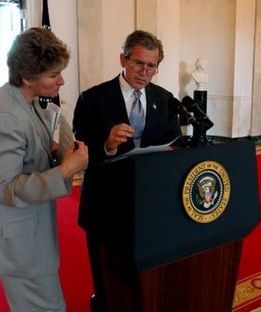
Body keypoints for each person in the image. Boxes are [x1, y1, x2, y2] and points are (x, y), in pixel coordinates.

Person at [0, 27, 88, 312]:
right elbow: (4, 188)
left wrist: (48, 153)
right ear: (26, 78)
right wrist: (63, 171)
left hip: (29, 231)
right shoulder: (4, 117)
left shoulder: (24, 100)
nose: (61, 80)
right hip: (19, 242)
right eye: (53, 75)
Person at [72, 29, 181, 311]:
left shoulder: (165, 98)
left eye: (151, 66)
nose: (144, 72)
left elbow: (173, 140)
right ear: (123, 59)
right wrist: (106, 145)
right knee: (107, 272)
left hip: (149, 201)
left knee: (144, 271)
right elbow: (78, 152)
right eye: (137, 63)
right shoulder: (92, 99)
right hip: (104, 202)